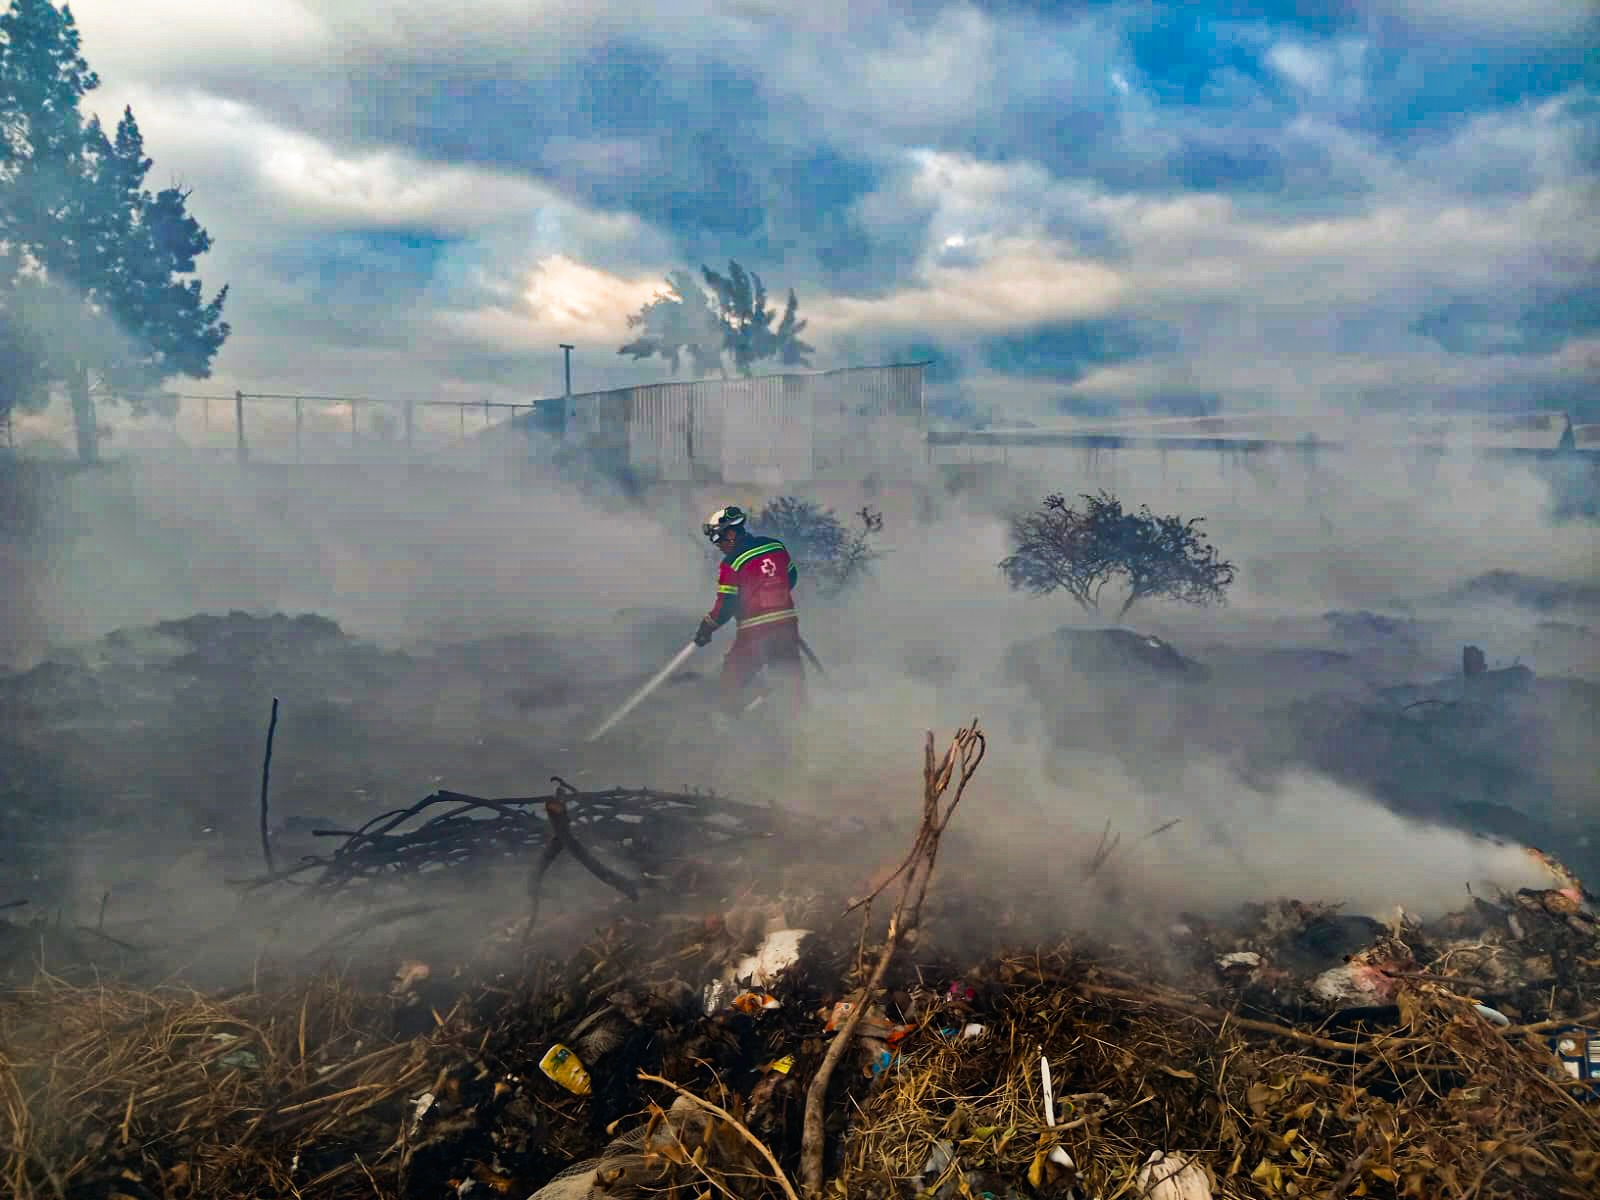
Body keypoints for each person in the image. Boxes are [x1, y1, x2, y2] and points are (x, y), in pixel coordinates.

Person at [694, 505, 806, 717]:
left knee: (731, 680)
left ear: (732, 533)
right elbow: (791, 578)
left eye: (718, 539)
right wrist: (775, 598)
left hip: (755, 632)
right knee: (791, 679)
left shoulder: (732, 563)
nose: (717, 545)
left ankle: (734, 727)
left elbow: (726, 605)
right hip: (786, 627)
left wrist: (707, 627)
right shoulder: (776, 547)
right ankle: (802, 724)